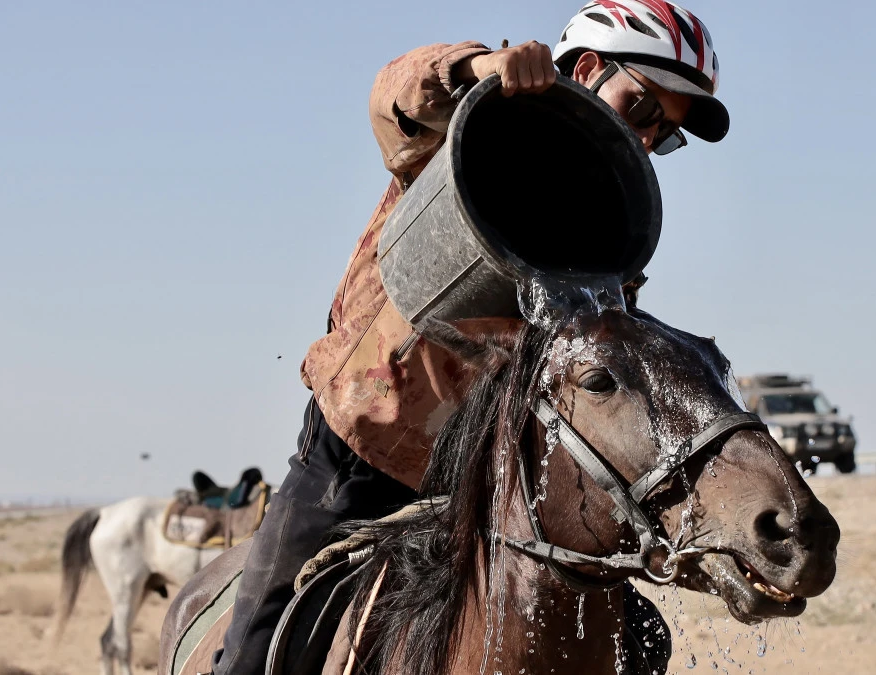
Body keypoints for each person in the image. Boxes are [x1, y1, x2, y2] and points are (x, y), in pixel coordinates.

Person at [211, 2, 730, 672]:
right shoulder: (477, 124)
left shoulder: (610, 220)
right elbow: (393, 95)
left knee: (642, 641)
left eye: (668, 135)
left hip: (485, 489)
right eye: (643, 110)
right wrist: (483, 66)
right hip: (358, 455)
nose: (649, 141)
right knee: (254, 657)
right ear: (592, 67)